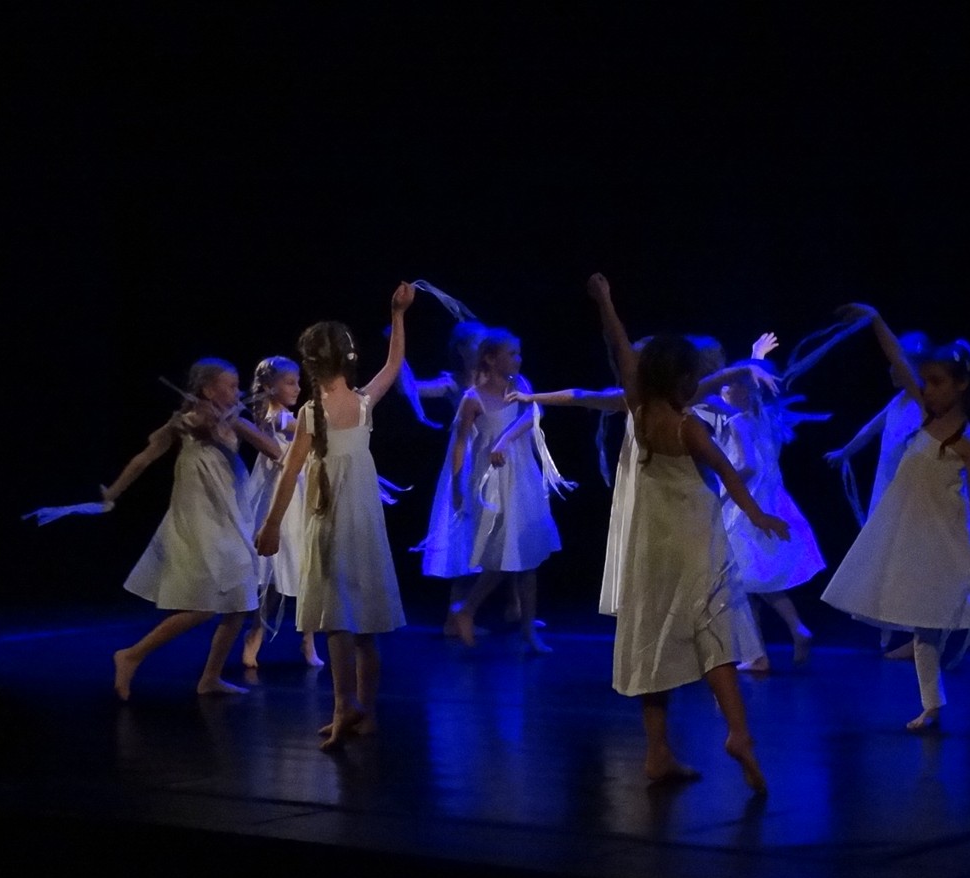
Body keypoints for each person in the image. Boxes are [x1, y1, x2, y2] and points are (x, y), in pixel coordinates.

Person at [821, 303, 970, 734]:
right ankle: (931, 706)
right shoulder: (921, 413)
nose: (927, 390)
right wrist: (875, 319)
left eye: (936, 383)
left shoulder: (968, 442)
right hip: (922, 542)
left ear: (961, 385)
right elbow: (897, 357)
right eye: (925, 382)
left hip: (959, 545)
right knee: (924, 626)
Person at [592, 272, 789, 791]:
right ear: (682, 381)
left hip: (652, 545)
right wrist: (759, 515)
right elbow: (727, 473)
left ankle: (658, 752)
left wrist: (605, 300)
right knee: (714, 632)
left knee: (656, 636)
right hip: (696, 538)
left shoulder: (638, 410)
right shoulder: (687, 425)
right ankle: (738, 732)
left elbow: (619, 346)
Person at [256, 282, 415, 748]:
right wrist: (398, 314)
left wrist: (270, 525)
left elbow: (289, 473)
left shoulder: (313, 412)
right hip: (361, 522)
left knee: (338, 620)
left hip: (332, 524)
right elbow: (395, 364)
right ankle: (362, 710)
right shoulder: (360, 403)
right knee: (361, 625)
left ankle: (347, 707)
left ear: (310, 365)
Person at [109, 358, 283, 701]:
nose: (237, 392)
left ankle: (210, 678)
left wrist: (238, 422)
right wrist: (112, 493)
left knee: (239, 602)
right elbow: (145, 457)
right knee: (204, 606)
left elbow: (274, 450)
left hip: (230, 515)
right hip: (200, 518)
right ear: (207, 390)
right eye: (230, 387)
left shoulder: (233, 419)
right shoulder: (189, 420)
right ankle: (131, 655)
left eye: (238, 386)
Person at [444, 327, 570, 651]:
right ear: (490, 358)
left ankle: (527, 628)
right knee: (502, 556)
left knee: (528, 554)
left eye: (518, 353)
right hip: (492, 483)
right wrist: (456, 486)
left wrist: (505, 438)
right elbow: (460, 444)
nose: (518, 359)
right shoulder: (472, 398)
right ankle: (467, 608)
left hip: (522, 477)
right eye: (511, 353)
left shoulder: (520, 385)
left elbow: (533, 413)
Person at [824, 331, 934, 659]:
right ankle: (890, 627)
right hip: (887, 495)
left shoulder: (924, 404)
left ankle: (920, 636)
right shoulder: (898, 402)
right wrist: (845, 451)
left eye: (898, 364)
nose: (890, 369)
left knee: (908, 563)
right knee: (884, 562)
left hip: (909, 499)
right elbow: (870, 429)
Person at [717, 359, 827, 665]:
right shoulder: (766, 417)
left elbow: (748, 466)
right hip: (770, 499)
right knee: (755, 578)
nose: (722, 389)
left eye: (730, 385)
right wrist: (756, 355)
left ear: (744, 392)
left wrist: (724, 489)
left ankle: (760, 652)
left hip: (746, 503)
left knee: (744, 579)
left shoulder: (738, 422)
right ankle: (778, 640)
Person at [239, 355, 322, 669]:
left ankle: (308, 640)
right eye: (290, 382)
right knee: (277, 575)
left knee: (308, 570)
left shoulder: (285, 415)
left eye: (298, 382)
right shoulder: (276, 417)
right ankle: (256, 633)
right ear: (269, 387)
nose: (297, 388)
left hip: (303, 495)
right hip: (282, 501)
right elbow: (301, 428)